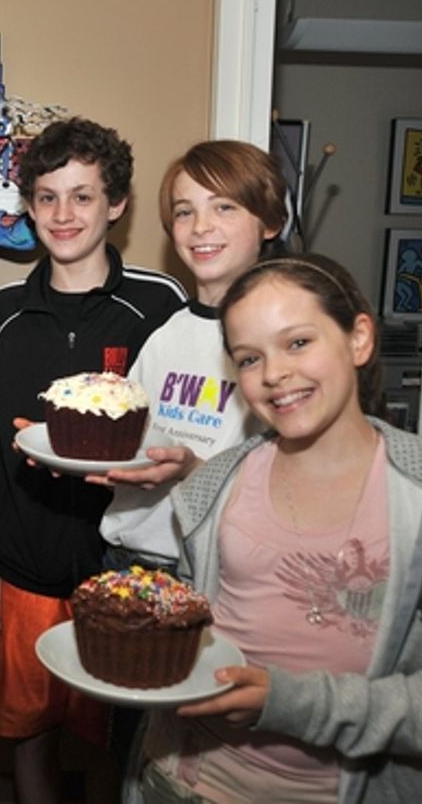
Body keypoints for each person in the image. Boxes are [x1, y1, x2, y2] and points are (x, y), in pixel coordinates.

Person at [130, 254, 422, 803]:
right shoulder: (211, 487)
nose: (274, 374)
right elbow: (191, 642)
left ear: (359, 339)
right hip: (182, 783)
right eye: (249, 358)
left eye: (298, 343)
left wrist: (288, 703)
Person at [0, 117, 187, 803]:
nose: (63, 214)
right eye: (47, 197)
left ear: (115, 203)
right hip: (26, 566)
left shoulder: (159, 305)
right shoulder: (3, 312)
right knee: (30, 728)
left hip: (122, 567)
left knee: (114, 737)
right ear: (29, 206)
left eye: (82, 196)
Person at [92, 140, 286, 773]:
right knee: (128, 753)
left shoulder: (285, 345)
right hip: (132, 566)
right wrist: (77, 455)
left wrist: (195, 474)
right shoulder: (165, 335)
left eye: (223, 207)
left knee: (207, 759)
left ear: (269, 222)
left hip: (220, 582)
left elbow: (292, 489)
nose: (200, 227)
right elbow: (131, 444)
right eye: (184, 211)